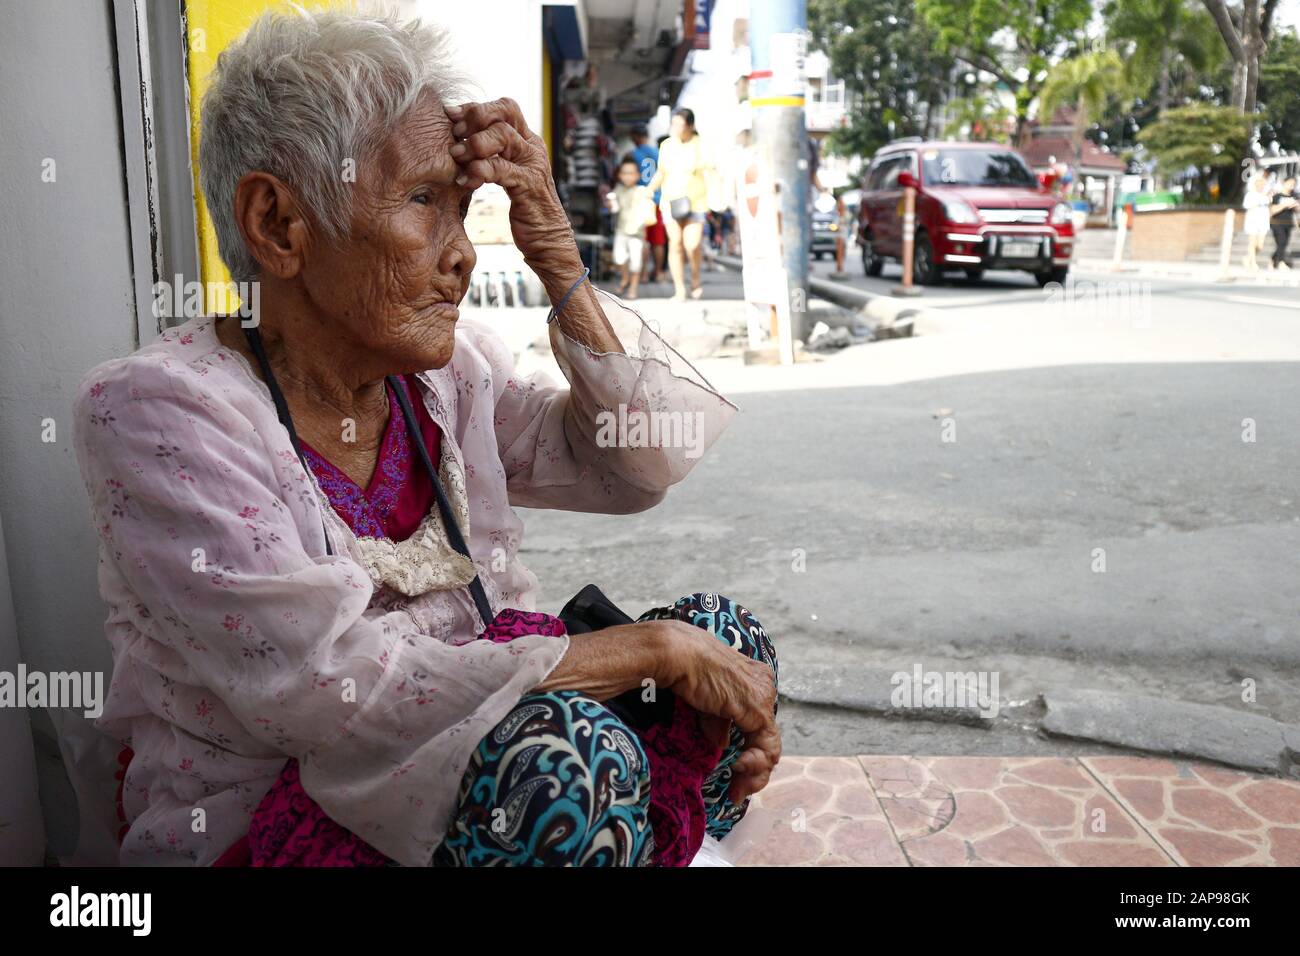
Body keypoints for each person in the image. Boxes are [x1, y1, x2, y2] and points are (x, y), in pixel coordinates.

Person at [72, 9, 778, 868]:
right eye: (422, 202)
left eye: (464, 208)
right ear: (278, 224)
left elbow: (636, 468)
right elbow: (318, 691)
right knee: (566, 761)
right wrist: (645, 652)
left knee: (723, 639)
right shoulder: (158, 412)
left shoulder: (442, 376)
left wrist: (557, 251)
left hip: (479, 741)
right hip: (276, 804)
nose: (464, 256)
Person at [647, 108, 715, 301]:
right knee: (675, 244)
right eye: (674, 124)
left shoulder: (701, 145)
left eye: (680, 124)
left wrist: (718, 197)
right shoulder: (667, 145)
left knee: (692, 245)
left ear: (691, 126)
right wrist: (650, 189)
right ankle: (680, 289)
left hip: (696, 203)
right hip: (671, 202)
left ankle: (695, 280)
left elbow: (711, 172)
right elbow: (661, 172)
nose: (676, 128)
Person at [606, 157, 654, 299]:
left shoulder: (642, 190)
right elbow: (614, 208)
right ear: (620, 175)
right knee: (619, 259)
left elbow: (648, 207)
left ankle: (633, 288)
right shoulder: (618, 189)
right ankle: (625, 279)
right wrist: (610, 204)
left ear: (638, 175)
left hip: (637, 232)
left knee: (636, 262)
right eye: (624, 173)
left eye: (631, 173)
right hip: (621, 230)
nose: (627, 176)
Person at [630, 126, 667, 284]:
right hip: (658, 200)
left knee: (643, 239)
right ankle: (658, 273)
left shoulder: (633, 155)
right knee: (658, 241)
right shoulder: (658, 153)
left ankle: (643, 274)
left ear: (637, 137)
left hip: (641, 200)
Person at [1242, 174, 1273, 271]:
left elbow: (1269, 207)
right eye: (1259, 185)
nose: (1261, 186)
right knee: (1252, 243)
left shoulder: (1266, 196)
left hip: (1263, 221)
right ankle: (1253, 263)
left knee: (1260, 245)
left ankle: (1248, 258)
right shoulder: (1250, 195)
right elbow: (1247, 206)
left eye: (1263, 185)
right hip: (1253, 220)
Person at [1268, 175, 1297, 271]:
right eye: (1290, 183)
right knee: (1282, 241)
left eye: (1293, 184)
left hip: (1288, 222)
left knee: (1283, 244)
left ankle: (1272, 261)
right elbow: (1272, 210)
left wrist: (1295, 206)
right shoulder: (1277, 196)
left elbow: (1298, 210)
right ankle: (1280, 262)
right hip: (1276, 222)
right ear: (1284, 183)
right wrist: (1285, 204)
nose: (1291, 185)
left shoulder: (1295, 196)